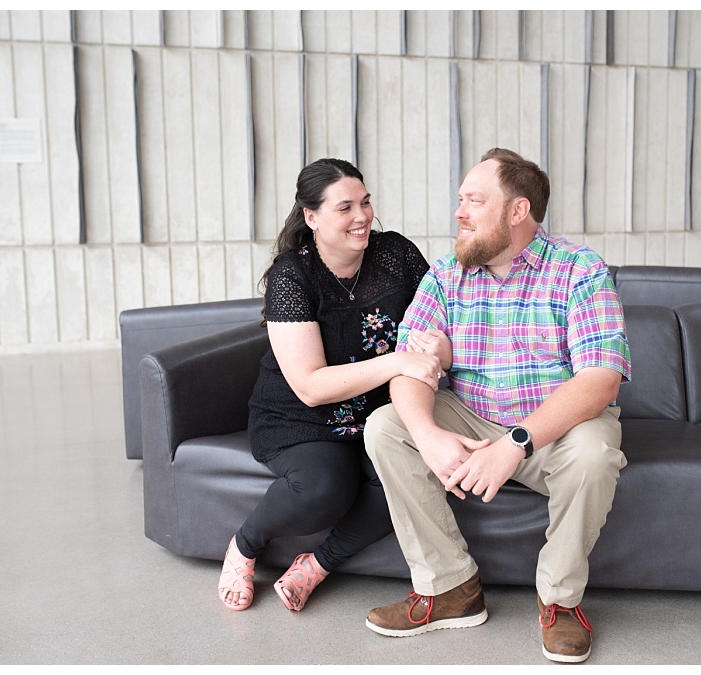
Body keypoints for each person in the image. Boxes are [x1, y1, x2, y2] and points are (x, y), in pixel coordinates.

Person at [362, 148, 630, 663]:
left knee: (596, 449)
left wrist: (517, 441)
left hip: (555, 428)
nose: (459, 213)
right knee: (387, 426)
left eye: (474, 201)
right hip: (470, 417)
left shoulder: (580, 270)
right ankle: (449, 588)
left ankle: (560, 601)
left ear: (517, 211)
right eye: (460, 200)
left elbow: (601, 380)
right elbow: (409, 367)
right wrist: (427, 434)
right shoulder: (444, 274)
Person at [218, 158, 451, 613]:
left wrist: (438, 343)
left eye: (365, 203)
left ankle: (318, 565)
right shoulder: (292, 275)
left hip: (381, 414)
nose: (361, 216)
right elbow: (309, 386)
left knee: (411, 481)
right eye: (344, 207)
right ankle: (245, 545)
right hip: (303, 417)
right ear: (312, 217)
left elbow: (438, 324)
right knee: (324, 489)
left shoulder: (397, 254)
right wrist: (399, 359)